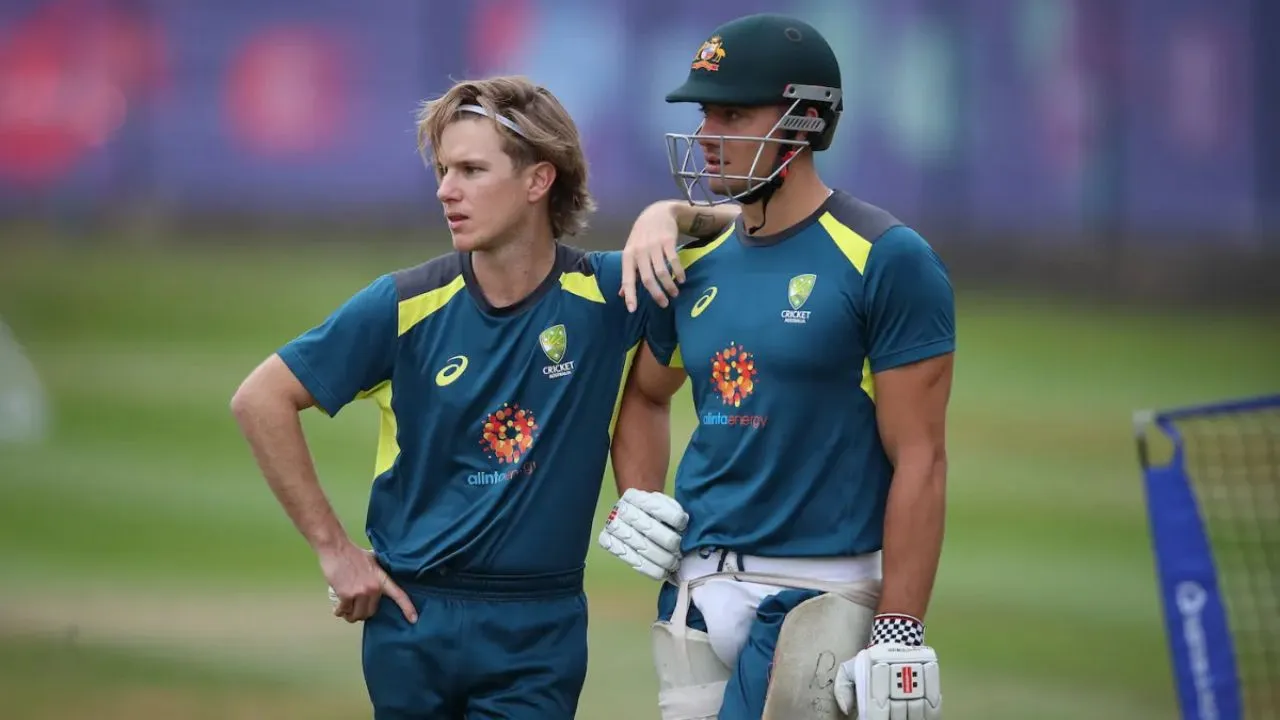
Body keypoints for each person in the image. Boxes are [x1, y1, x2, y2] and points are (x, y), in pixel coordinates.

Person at [229, 74, 721, 719]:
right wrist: (335, 551)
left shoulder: (608, 294)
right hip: (412, 620)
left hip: (539, 627)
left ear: (537, 181)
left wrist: (671, 214)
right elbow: (260, 399)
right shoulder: (403, 304)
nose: (445, 190)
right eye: (442, 169)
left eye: (470, 169)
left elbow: (765, 227)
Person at [598, 13, 953, 720]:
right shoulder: (692, 258)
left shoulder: (888, 258)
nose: (707, 134)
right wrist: (641, 494)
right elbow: (644, 396)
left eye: (733, 113)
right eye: (705, 112)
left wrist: (900, 624)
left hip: (818, 595)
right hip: (695, 595)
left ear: (803, 122)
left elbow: (921, 456)